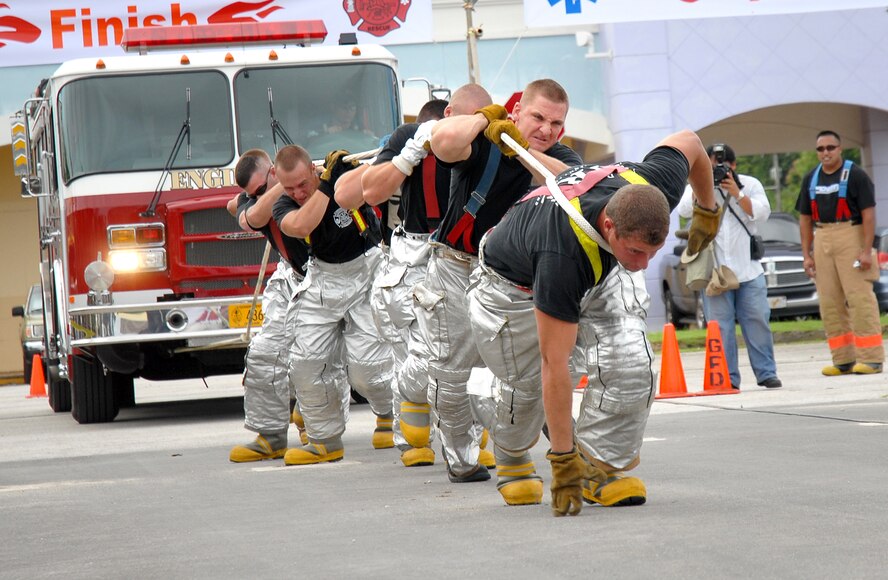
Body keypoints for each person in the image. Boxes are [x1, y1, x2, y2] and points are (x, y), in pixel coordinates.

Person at [466, 130, 720, 514]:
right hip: (509, 287)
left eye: (653, 254)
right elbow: (555, 365)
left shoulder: (655, 189)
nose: (642, 264)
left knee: (631, 359)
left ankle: (598, 465)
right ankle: (513, 451)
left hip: (597, 261)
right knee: (528, 385)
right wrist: (561, 459)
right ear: (610, 227)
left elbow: (691, 143)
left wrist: (707, 207)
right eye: (636, 252)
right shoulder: (561, 257)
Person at [420, 79, 583, 484]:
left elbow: (575, 184)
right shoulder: (485, 142)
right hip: (456, 268)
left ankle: (569, 452)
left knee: (538, 370)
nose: (546, 129)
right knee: (451, 372)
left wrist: (525, 150)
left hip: (515, 284)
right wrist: (484, 118)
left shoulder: (557, 157)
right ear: (516, 113)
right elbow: (443, 142)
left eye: (556, 123)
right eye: (538, 117)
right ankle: (462, 459)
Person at [340, 86, 497, 470]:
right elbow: (366, 194)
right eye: (462, 119)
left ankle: (474, 438)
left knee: (478, 350)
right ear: (445, 116)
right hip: (414, 258)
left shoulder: (492, 140)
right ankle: (408, 426)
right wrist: (413, 150)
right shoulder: (407, 138)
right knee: (423, 353)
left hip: (470, 257)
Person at [272, 145, 394, 465]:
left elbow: (378, 183)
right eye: (289, 188)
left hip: (366, 270)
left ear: (313, 170)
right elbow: (301, 226)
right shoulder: (285, 204)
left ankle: (388, 412)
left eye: (303, 184)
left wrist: (341, 175)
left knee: (368, 369)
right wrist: (324, 186)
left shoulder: (343, 181)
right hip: (322, 277)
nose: (297, 192)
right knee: (305, 361)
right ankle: (325, 440)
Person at [227, 149, 311, 462]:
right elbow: (250, 214)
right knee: (265, 354)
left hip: (336, 274)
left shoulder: (310, 185)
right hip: (295, 276)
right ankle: (272, 436)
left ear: (273, 169)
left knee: (339, 360)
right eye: (254, 192)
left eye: (264, 186)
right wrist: (281, 185)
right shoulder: (258, 200)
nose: (261, 195)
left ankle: (394, 424)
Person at [676, 143, 782, 390]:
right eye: (712, 164)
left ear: (734, 166)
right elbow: (682, 211)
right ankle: (727, 378)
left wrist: (737, 192)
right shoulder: (699, 185)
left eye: (723, 164)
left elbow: (762, 213)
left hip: (749, 270)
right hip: (716, 273)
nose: (718, 169)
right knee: (720, 328)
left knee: (757, 321)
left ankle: (766, 373)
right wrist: (701, 188)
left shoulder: (749, 184)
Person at [796, 131, 884, 376]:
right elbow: (804, 219)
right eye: (821, 149)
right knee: (830, 302)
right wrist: (807, 254)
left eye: (830, 148)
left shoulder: (855, 175)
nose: (825, 153)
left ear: (840, 148)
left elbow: (869, 215)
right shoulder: (811, 178)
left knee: (859, 298)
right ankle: (843, 359)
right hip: (822, 236)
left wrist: (866, 251)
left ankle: (872, 358)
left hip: (851, 235)